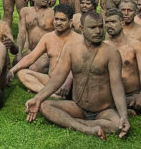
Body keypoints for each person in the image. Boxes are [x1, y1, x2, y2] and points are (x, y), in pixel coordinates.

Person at [25, 10, 131, 141]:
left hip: (103, 111)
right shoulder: (71, 48)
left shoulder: (111, 53)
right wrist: (38, 98)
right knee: (44, 105)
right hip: (78, 107)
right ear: (82, 29)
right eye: (92, 27)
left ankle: (72, 122)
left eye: (100, 27)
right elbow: (58, 78)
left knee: (117, 125)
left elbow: (117, 86)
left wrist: (123, 115)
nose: (98, 31)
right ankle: (86, 129)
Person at [9, 4, 79, 97]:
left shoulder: (78, 40)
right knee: (21, 73)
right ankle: (52, 95)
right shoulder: (48, 37)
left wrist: (68, 82)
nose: (58, 23)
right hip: (51, 79)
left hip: (69, 82)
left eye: (62, 20)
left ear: (70, 22)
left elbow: (78, 66)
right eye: (56, 19)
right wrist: (12, 70)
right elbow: (31, 57)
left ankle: (47, 92)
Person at [104, 8, 141, 114]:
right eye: (107, 22)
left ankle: (119, 107)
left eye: (113, 22)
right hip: (111, 93)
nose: (109, 25)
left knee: (139, 106)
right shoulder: (104, 46)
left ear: (122, 23)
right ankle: (118, 107)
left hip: (131, 93)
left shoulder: (136, 45)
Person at [15, 0, 55, 72]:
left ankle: (51, 68)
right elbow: (21, 34)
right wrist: (19, 53)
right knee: (16, 65)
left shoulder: (53, 13)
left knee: (33, 69)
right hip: (31, 50)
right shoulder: (25, 11)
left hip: (46, 52)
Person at [118, 0, 141, 82]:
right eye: (123, 10)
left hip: (134, 68)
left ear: (135, 12)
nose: (126, 13)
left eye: (130, 10)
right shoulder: (113, 30)